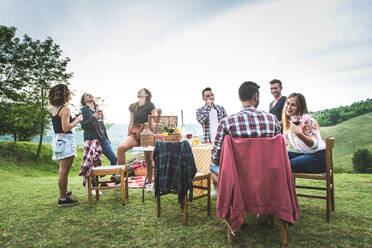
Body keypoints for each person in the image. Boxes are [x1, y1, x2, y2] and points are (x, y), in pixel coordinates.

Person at [211, 81, 281, 194]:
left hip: (237, 176)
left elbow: (215, 158)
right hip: (266, 174)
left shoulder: (226, 123)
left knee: (212, 166)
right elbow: (279, 151)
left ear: (239, 98)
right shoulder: (272, 120)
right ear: (256, 96)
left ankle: (232, 197)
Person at [49, 84, 83, 207]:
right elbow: (66, 127)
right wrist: (78, 120)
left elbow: (59, 123)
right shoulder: (65, 109)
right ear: (65, 94)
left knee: (62, 170)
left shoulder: (53, 108)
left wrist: (73, 117)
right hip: (65, 140)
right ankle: (63, 199)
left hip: (58, 139)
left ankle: (64, 192)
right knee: (64, 172)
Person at [282, 93, 326, 173]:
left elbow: (314, 145)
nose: (288, 107)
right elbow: (285, 143)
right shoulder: (289, 121)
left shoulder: (306, 120)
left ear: (300, 107)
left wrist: (299, 134)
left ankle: (286, 186)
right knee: (278, 157)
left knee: (285, 165)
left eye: (293, 105)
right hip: (306, 155)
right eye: (287, 103)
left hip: (319, 158)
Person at [117, 88, 161, 166]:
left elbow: (156, 121)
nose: (139, 91)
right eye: (139, 90)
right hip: (135, 132)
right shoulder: (133, 106)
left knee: (149, 160)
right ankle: (121, 175)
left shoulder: (150, 104)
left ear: (147, 94)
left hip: (147, 134)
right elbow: (131, 121)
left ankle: (151, 177)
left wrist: (159, 114)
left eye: (142, 90)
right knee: (121, 148)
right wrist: (129, 134)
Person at [80, 93, 117, 165]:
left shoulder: (97, 109)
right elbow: (84, 125)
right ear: (84, 100)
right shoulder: (83, 110)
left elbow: (101, 127)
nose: (90, 95)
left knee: (114, 159)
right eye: (87, 95)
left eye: (91, 94)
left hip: (103, 139)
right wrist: (94, 116)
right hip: (92, 140)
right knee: (93, 163)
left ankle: (115, 176)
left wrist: (107, 138)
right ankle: (93, 176)